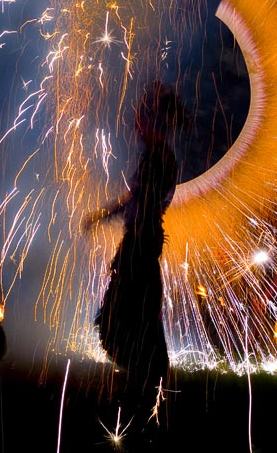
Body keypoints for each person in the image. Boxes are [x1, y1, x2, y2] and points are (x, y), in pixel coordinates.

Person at [84, 80, 187, 427]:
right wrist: (106, 215)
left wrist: (121, 221)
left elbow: (145, 201)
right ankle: (148, 384)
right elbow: (138, 200)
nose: (136, 126)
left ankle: (150, 387)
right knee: (131, 315)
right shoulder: (158, 157)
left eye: (141, 119)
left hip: (141, 245)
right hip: (140, 243)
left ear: (154, 122)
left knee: (128, 316)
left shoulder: (159, 159)